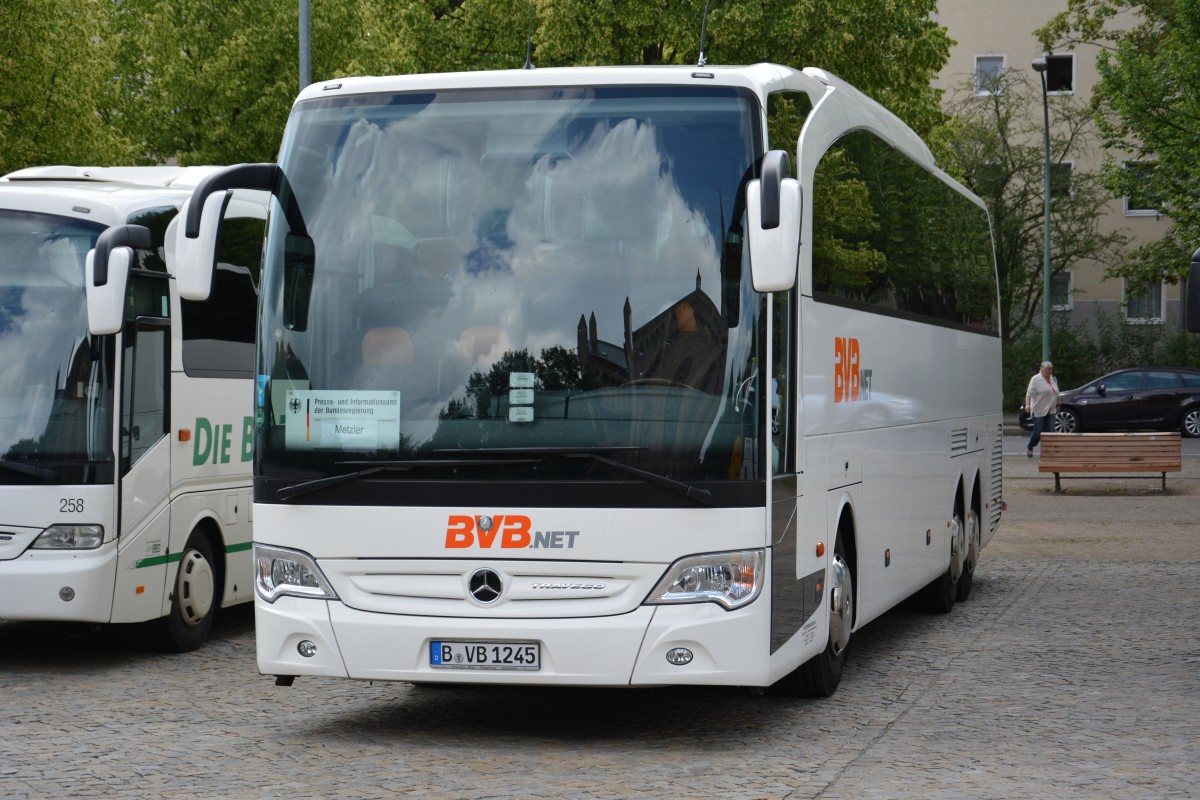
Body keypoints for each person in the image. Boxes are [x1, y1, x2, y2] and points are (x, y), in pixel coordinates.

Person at [1025, 360, 1060, 457]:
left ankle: (1049, 451)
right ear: (1042, 369)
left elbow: (1056, 393)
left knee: (1051, 431)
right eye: (1048, 369)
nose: (1050, 371)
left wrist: (1058, 405)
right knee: (1038, 431)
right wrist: (1027, 405)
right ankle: (1030, 447)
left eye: (1051, 369)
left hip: (1051, 409)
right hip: (1038, 409)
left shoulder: (1053, 379)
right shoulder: (1035, 379)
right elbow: (1029, 394)